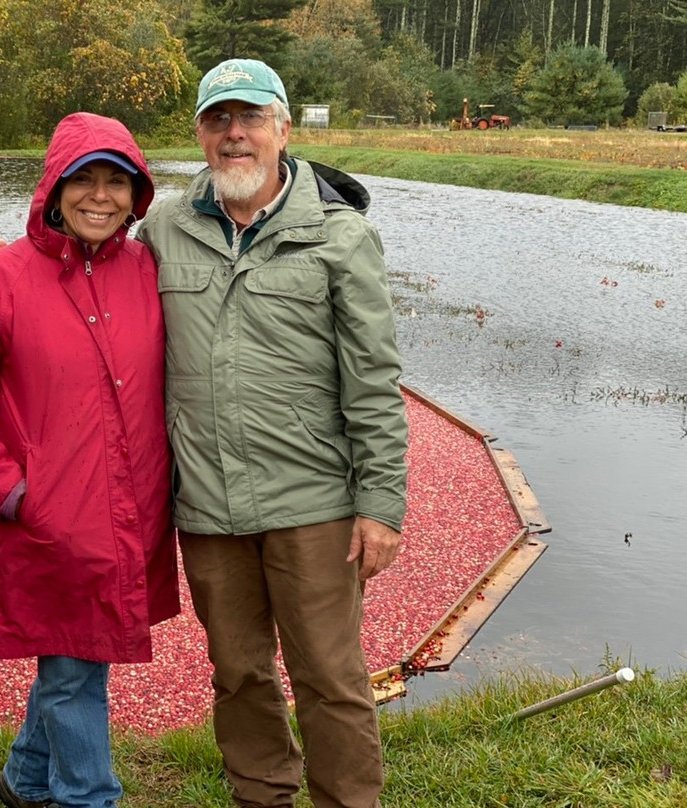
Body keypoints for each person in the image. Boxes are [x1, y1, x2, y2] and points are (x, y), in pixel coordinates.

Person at [136, 59, 409, 808]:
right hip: (207, 510)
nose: (235, 134)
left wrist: (380, 504)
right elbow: (89, 281)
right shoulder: (163, 227)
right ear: (199, 132)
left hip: (313, 506)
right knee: (239, 674)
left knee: (329, 675)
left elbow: (374, 382)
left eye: (250, 117)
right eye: (219, 119)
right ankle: (261, 797)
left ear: (283, 128)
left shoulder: (340, 236)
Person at [0, 112, 179, 808]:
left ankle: (26, 775)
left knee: (77, 654)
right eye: (83, 180)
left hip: (134, 510)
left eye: (116, 182)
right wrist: (13, 493)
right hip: (50, 519)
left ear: (138, 195)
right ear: (53, 189)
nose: (99, 196)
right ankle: (87, 796)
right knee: (75, 668)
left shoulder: (148, 270)